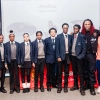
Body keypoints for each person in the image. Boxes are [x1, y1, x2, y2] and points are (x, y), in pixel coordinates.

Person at [81, 19, 100, 95]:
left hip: (91, 54)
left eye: (88, 24)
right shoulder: (82, 33)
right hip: (84, 54)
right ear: (84, 25)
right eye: (85, 24)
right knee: (85, 70)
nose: (87, 25)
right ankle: (87, 84)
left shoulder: (96, 32)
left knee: (91, 70)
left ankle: (92, 87)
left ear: (91, 25)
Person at [70, 24, 86, 96]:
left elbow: (84, 48)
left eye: (76, 28)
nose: (75, 29)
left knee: (80, 73)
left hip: (79, 58)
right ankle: (76, 85)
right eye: (74, 28)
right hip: (72, 57)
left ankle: (82, 88)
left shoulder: (82, 36)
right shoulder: (72, 36)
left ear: (79, 29)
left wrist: (81, 56)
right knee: (75, 72)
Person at [56, 23, 72, 93]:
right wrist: (58, 56)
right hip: (60, 56)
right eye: (64, 28)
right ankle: (59, 86)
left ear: (68, 29)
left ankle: (65, 86)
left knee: (66, 72)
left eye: (66, 28)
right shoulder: (58, 36)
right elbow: (57, 48)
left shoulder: (70, 36)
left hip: (67, 56)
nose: (65, 29)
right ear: (62, 28)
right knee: (59, 72)